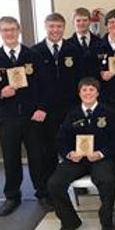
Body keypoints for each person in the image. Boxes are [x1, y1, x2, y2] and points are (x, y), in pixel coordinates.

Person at [0, 16, 51, 216]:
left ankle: (42, 194)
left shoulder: (32, 56)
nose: (9, 33)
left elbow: (46, 86)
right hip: (8, 118)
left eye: (13, 29)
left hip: (33, 117)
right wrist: (0, 93)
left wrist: (42, 108)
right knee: (11, 158)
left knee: (37, 157)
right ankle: (12, 196)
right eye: (5, 30)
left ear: (19, 30)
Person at [48, 77, 115, 230]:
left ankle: (107, 222)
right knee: (54, 184)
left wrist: (101, 153)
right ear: (79, 93)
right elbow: (61, 140)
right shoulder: (72, 114)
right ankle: (70, 222)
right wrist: (69, 154)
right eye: (84, 90)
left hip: (100, 159)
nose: (88, 93)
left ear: (97, 93)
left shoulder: (108, 112)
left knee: (107, 181)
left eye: (91, 90)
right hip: (77, 160)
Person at [32, 12, 83, 187]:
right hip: (46, 111)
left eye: (59, 26)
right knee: (48, 150)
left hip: (71, 108)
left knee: (74, 146)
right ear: (45, 27)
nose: (55, 30)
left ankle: (76, 185)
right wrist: (40, 107)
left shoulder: (74, 50)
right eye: (51, 26)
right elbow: (32, 85)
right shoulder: (35, 52)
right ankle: (47, 190)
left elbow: (81, 78)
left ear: (64, 28)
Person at [67, 7, 101, 77]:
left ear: (90, 21)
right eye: (78, 21)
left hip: (95, 83)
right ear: (73, 22)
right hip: (75, 84)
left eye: (85, 20)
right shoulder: (67, 44)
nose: (82, 23)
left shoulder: (100, 42)